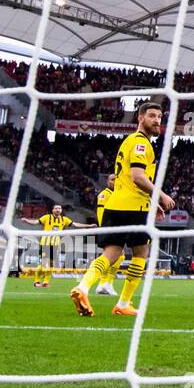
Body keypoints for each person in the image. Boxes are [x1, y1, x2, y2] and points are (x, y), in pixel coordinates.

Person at [70, 102, 175, 317]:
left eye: (159, 117)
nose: (157, 120)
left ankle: (82, 287)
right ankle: (124, 303)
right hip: (134, 207)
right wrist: (161, 196)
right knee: (140, 253)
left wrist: (152, 204)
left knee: (112, 253)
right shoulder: (140, 143)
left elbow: (128, 179)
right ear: (140, 118)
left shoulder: (129, 141)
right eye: (152, 116)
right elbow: (137, 177)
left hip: (116, 204)